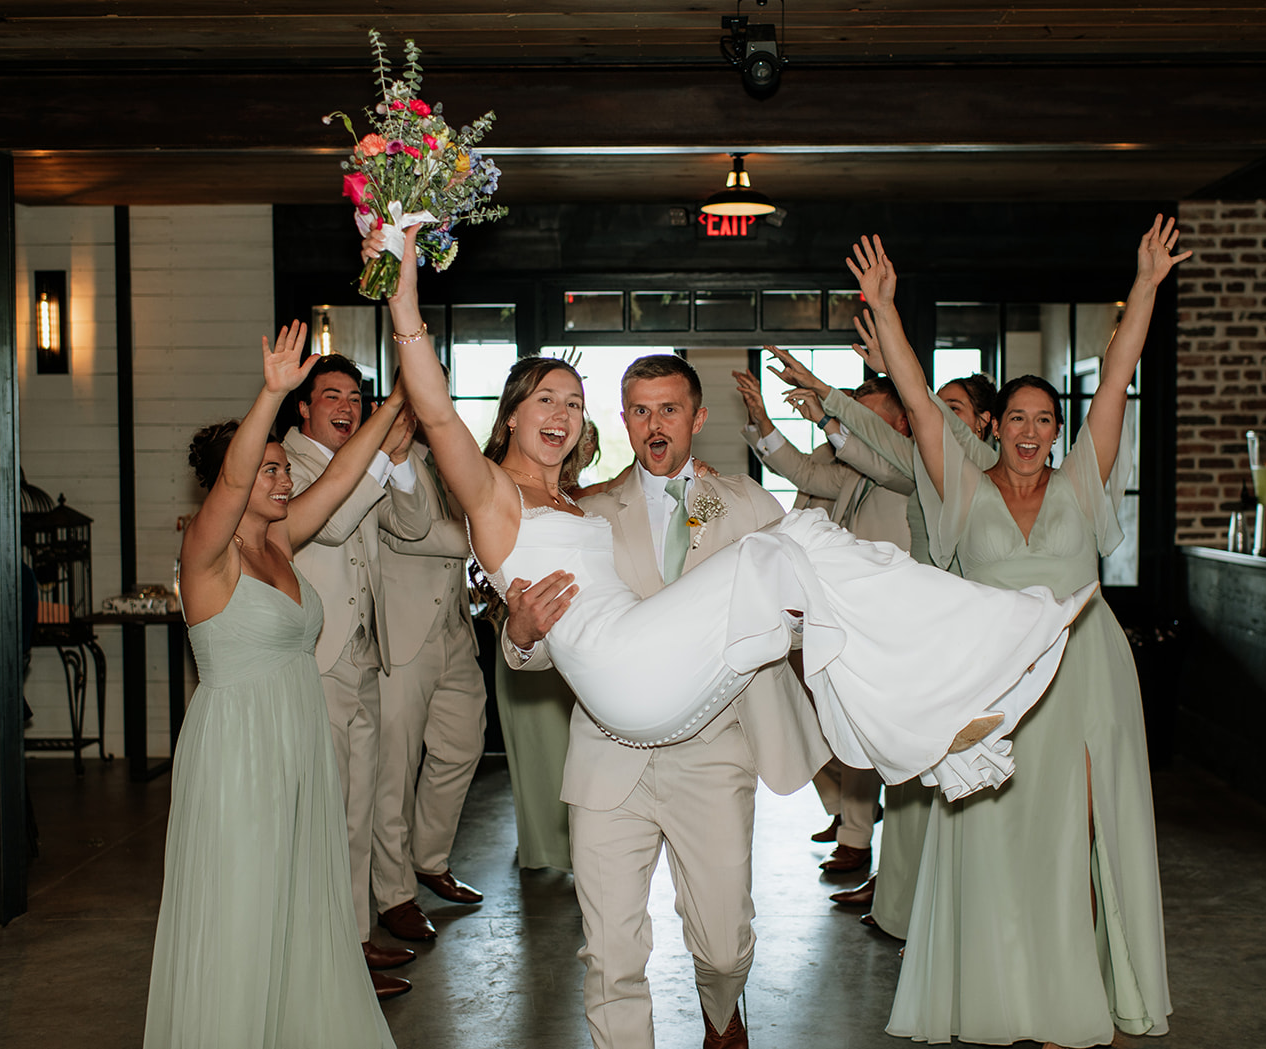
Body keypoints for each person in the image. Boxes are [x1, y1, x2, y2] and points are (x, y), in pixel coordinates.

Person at [365, 226, 1089, 1047]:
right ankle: (982, 650)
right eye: (547, 400)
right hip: (617, 706)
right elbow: (433, 408)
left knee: (799, 553)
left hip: (692, 715)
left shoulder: (608, 501)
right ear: (510, 416)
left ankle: (937, 716)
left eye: (574, 400)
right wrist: (402, 278)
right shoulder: (498, 495)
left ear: (692, 416)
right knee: (612, 957)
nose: (565, 413)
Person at [820, 221, 1185, 1046]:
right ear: (995, 426)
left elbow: (1119, 377)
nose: (1028, 430)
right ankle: (990, 998)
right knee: (989, 840)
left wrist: (1147, 286)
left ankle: (1067, 1001)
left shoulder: (1084, 483)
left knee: (1074, 838)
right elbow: (915, 402)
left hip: (1085, 673)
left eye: (1043, 418)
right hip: (990, 679)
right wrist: (886, 309)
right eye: (1015, 417)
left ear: (1059, 429)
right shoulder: (962, 486)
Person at [144, 323, 404, 1047]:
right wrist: (273, 391)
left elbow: (347, 474)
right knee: (244, 905)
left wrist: (397, 398)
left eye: (283, 470)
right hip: (237, 754)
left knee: (297, 900)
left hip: (296, 743)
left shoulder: (282, 540)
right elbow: (231, 481)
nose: (285, 479)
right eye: (270, 471)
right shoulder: (206, 551)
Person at [279, 354, 434, 970]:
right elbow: (335, 525)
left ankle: (355, 937)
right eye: (331, 396)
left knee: (359, 806)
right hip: (317, 658)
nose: (346, 408)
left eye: (355, 397)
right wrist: (374, 457)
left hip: (367, 657)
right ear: (304, 407)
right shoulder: (286, 464)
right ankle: (333, 951)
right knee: (328, 808)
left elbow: (417, 523)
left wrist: (398, 458)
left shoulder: (367, 460)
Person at [736, 374, 914, 879]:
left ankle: (865, 841)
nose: (857, 431)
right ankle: (855, 833)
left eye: (869, 419)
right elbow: (803, 473)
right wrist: (763, 420)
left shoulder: (913, 466)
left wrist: (829, 420)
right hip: (842, 610)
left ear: (901, 424)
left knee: (879, 733)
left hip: (891, 617)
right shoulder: (853, 473)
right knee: (843, 725)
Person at [372, 400, 488, 938]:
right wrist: (496, 534)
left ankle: (430, 860)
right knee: (394, 768)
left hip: (455, 629)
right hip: (402, 634)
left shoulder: (455, 459)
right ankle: (393, 894)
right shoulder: (385, 458)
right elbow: (411, 533)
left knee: (463, 746)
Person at [489, 420, 603, 874]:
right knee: (539, 754)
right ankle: (542, 847)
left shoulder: (576, 501)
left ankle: (575, 847)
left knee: (570, 754)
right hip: (527, 640)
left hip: (576, 653)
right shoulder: (501, 488)